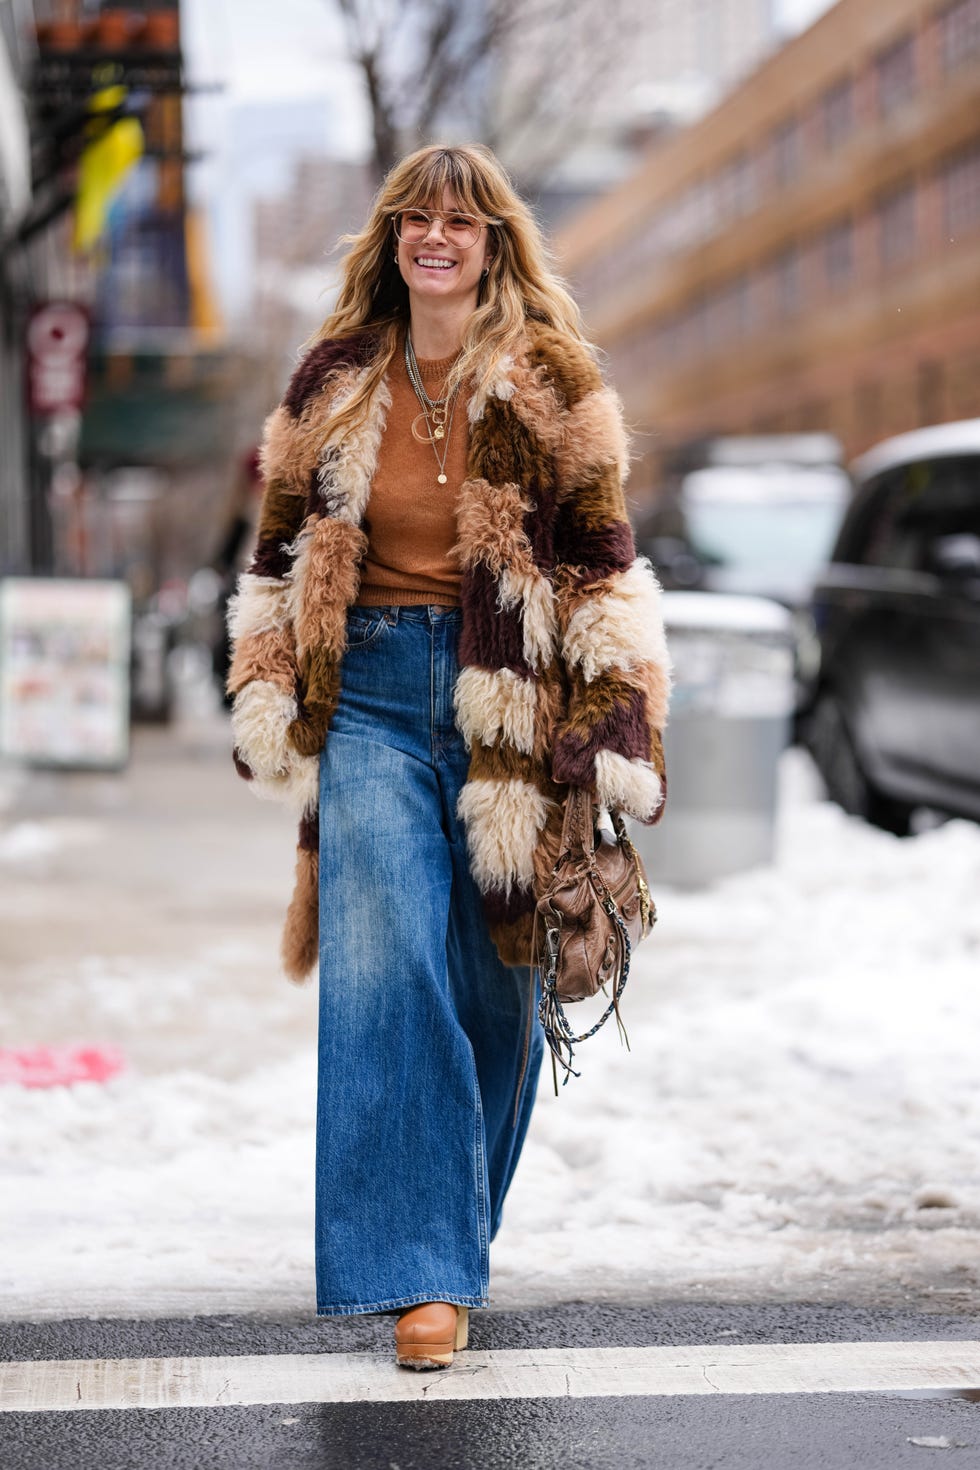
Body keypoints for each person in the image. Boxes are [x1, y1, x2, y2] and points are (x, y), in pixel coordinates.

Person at [225, 143, 671, 1369]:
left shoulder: (546, 375)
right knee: (384, 964)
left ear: (491, 242)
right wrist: (265, 684)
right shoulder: (331, 378)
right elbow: (276, 551)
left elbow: (595, 556)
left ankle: (449, 1234)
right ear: (389, 240)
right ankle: (421, 1273)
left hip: (507, 707)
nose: (436, 236)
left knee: (492, 981)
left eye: (460, 222)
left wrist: (618, 717)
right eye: (415, 219)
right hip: (367, 688)